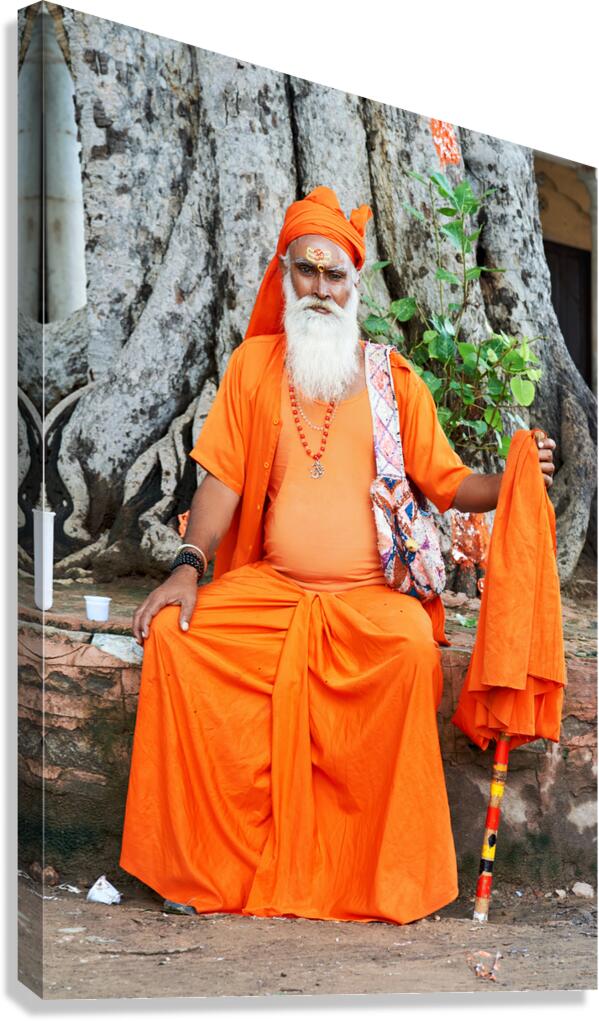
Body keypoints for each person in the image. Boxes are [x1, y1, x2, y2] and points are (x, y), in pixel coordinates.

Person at [119, 186, 556, 924]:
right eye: (306, 271)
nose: (320, 288)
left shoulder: (392, 380)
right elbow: (220, 480)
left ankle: (377, 876)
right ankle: (195, 867)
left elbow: (448, 483)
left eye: (335, 275)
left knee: (413, 648)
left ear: (355, 286)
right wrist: (187, 566)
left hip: (367, 604)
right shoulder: (256, 366)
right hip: (273, 591)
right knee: (174, 635)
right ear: (283, 274)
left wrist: (512, 473)